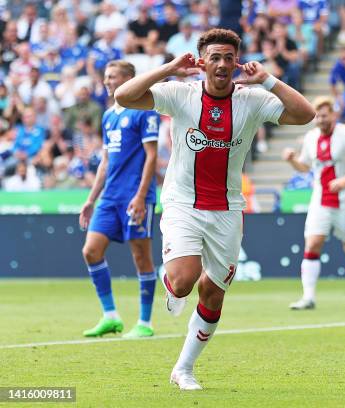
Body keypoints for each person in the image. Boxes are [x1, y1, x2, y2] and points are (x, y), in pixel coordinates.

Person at [113, 28, 315, 390]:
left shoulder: (251, 99)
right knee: (183, 280)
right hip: (183, 204)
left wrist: (268, 79)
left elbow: (305, 114)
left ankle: (184, 369)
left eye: (228, 58)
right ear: (202, 61)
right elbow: (124, 96)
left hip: (227, 210)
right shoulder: (180, 93)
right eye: (215, 57)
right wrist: (170, 67)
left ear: (236, 62)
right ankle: (172, 286)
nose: (222, 65)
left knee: (214, 293)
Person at [78, 60, 160, 340]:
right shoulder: (107, 116)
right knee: (91, 251)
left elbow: (152, 156)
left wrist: (140, 195)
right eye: (106, 77)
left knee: (141, 257)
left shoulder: (143, 111)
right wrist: (91, 199)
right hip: (110, 197)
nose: (107, 81)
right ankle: (110, 316)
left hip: (135, 196)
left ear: (128, 79)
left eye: (112, 77)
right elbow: (105, 161)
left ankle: (145, 322)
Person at [282, 97, 345, 311]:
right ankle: (308, 297)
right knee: (312, 244)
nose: (321, 119)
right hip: (320, 200)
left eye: (324, 115)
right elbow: (305, 167)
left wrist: (344, 180)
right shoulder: (311, 138)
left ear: (334, 115)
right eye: (318, 116)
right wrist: (292, 160)